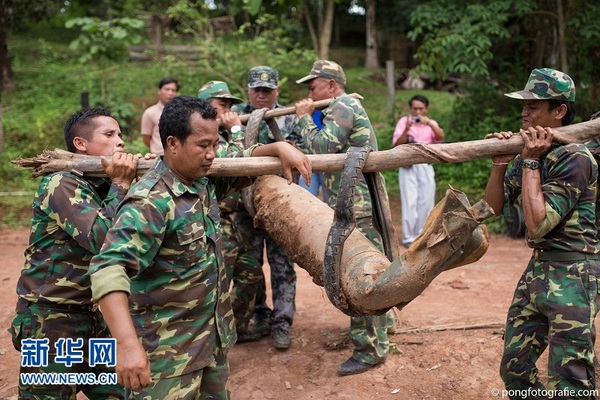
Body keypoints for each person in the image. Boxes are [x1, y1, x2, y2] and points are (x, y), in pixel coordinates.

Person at [88, 96, 311, 398]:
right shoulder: (151, 203)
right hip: (167, 359)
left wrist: (278, 147)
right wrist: (127, 346)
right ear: (173, 144)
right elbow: (108, 268)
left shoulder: (202, 182)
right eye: (202, 145)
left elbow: (241, 157)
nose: (210, 155)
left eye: (214, 145)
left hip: (211, 344)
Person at [9, 108, 145, 399]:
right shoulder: (62, 183)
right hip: (50, 321)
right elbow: (103, 240)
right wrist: (121, 185)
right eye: (109, 135)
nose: (120, 141)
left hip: (96, 318)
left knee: (121, 393)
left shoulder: (104, 185)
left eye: (120, 134)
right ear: (80, 144)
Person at [483, 68, 600, 395]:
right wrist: (500, 163)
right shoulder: (527, 153)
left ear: (559, 111)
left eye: (534, 106)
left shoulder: (575, 157)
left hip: (575, 274)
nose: (524, 112)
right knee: (514, 367)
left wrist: (531, 163)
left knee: (570, 378)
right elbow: (491, 209)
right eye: (524, 104)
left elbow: (538, 223)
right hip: (539, 268)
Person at [294, 60, 392, 376]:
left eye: (313, 86)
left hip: (358, 205)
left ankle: (370, 350)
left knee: (362, 277)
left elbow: (322, 146)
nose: (310, 92)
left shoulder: (343, 104)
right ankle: (382, 328)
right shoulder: (337, 105)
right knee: (375, 271)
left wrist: (305, 118)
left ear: (331, 85)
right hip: (356, 202)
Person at [230, 66, 298, 349]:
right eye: (257, 89)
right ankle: (260, 315)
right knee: (251, 264)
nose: (261, 94)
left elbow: (302, 149)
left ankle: (282, 322)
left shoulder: (290, 117)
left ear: (277, 91)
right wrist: (232, 126)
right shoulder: (233, 117)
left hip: (281, 202)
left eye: (267, 90)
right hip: (244, 203)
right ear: (248, 90)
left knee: (282, 263)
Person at [197, 80, 265, 342]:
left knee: (251, 275)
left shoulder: (222, 134)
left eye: (229, 106)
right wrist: (236, 128)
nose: (227, 110)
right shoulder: (205, 138)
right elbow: (239, 161)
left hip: (233, 221)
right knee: (218, 284)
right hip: (212, 222)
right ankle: (214, 339)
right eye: (221, 104)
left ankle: (236, 328)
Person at [392, 95, 444, 248]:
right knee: (410, 201)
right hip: (408, 165)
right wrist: (407, 128)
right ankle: (409, 238)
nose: (418, 111)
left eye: (421, 108)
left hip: (426, 165)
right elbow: (396, 143)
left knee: (426, 200)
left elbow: (441, 137)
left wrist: (429, 123)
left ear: (426, 109)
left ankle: (423, 234)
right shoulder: (404, 121)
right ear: (410, 108)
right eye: (415, 108)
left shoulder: (431, 123)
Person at [141, 76, 180, 155]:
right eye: (167, 89)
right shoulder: (150, 112)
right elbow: (146, 138)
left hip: (177, 156)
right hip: (158, 156)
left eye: (173, 90)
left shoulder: (181, 112)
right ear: (159, 91)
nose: (170, 93)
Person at [297, 109, 329, 202]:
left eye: (312, 92)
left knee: (330, 200)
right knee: (305, 197)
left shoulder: (334, 109)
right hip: (308, 158)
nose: (311, 94)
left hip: (328, 159)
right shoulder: (304, 108)